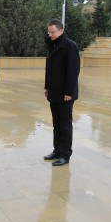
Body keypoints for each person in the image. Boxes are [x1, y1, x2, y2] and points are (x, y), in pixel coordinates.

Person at [43, 19, 80, 167]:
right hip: (54, 91)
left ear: (61, 30)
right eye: (49, 32)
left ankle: (65, 155)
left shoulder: (70, 46)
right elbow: (49, 70)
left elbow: (73, 71)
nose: (50, 34)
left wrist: (69, 92)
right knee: (56, 124)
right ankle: (57, 151)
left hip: (66, 93)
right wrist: (47, 87)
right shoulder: (51, 45)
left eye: (53, 32)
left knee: (65, 125)